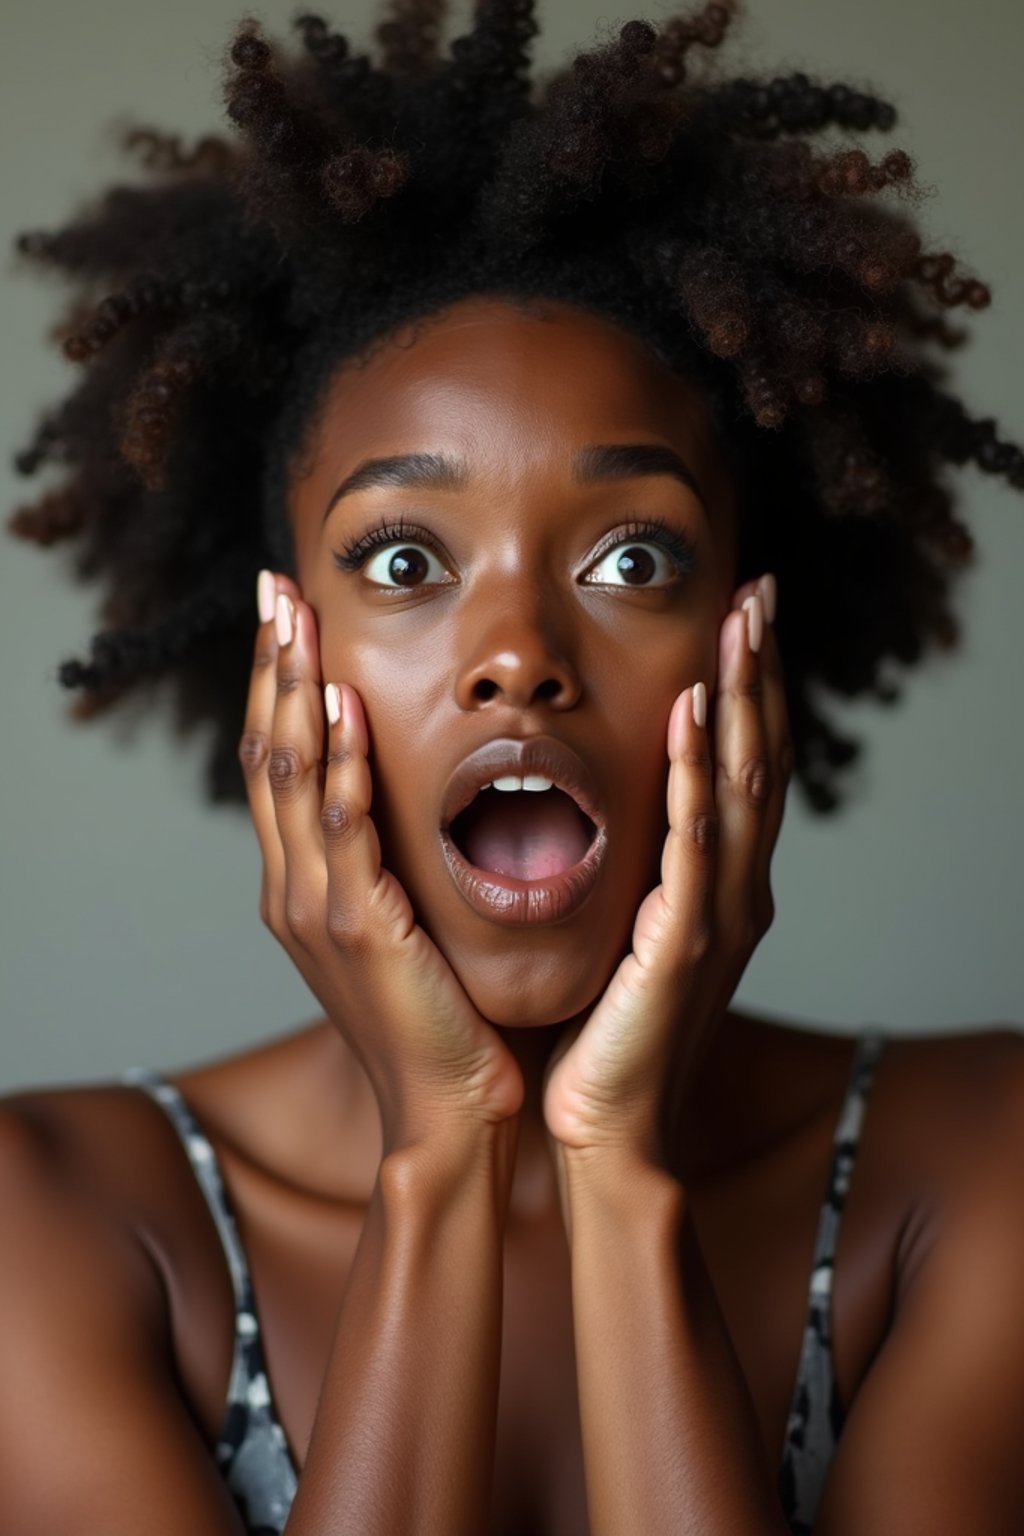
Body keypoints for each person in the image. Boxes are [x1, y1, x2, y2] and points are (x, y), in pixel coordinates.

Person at [4, 3, 1024, 1532]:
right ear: (282, 654)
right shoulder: (56, 1215)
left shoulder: (985, 1159)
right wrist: (445, 1153)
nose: (519, 654)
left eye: (633, 556)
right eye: (405, 556)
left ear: (750, 637)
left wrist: (617, 1173)